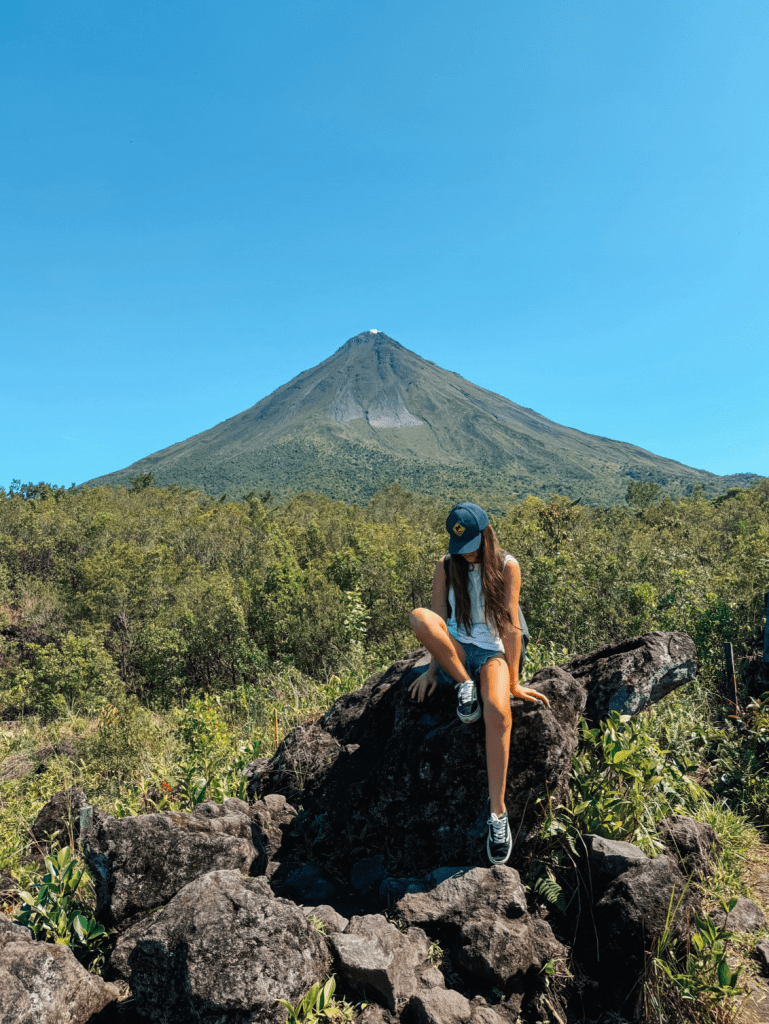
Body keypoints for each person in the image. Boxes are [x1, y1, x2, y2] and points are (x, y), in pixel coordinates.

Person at [407, 502, 550, 865]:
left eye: (471, 544)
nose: (466, 553)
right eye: (461, 546)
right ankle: (464, 684)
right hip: (457, 652)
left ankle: (497, 814)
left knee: (499, 712)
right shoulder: (446, 565)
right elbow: (438, 621)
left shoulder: (506, 566)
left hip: (492, 652)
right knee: (419, 617)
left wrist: (514, 683)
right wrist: (432, 670)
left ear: (486, 534)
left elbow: (511, 627)